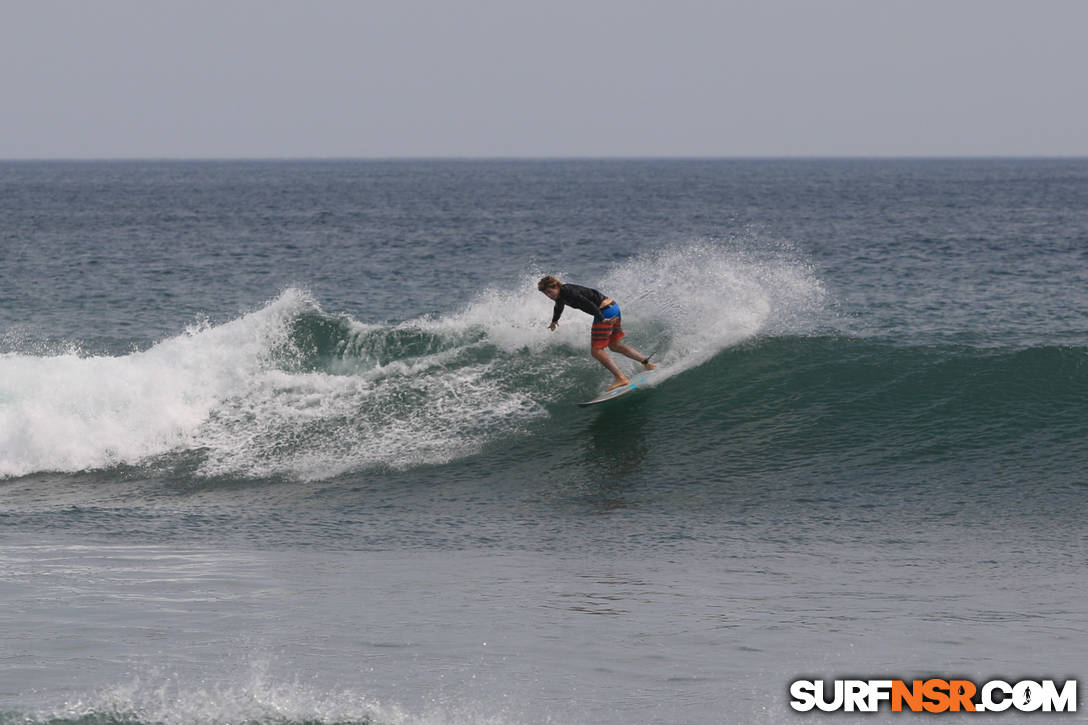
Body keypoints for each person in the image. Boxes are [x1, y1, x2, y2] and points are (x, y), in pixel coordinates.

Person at [538, 275, 656, 391]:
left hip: (605, 312)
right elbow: (558, 306)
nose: (549, 295)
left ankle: (621, 378)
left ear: (556, 286)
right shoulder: (561, 295)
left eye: (550, 291)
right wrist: (554, 321)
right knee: (614, 345)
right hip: (613, 307)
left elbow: (587, 303)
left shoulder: (567, 290)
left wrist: (602, 319)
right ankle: (647, 363)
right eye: (546, 294)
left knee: (596, 351)